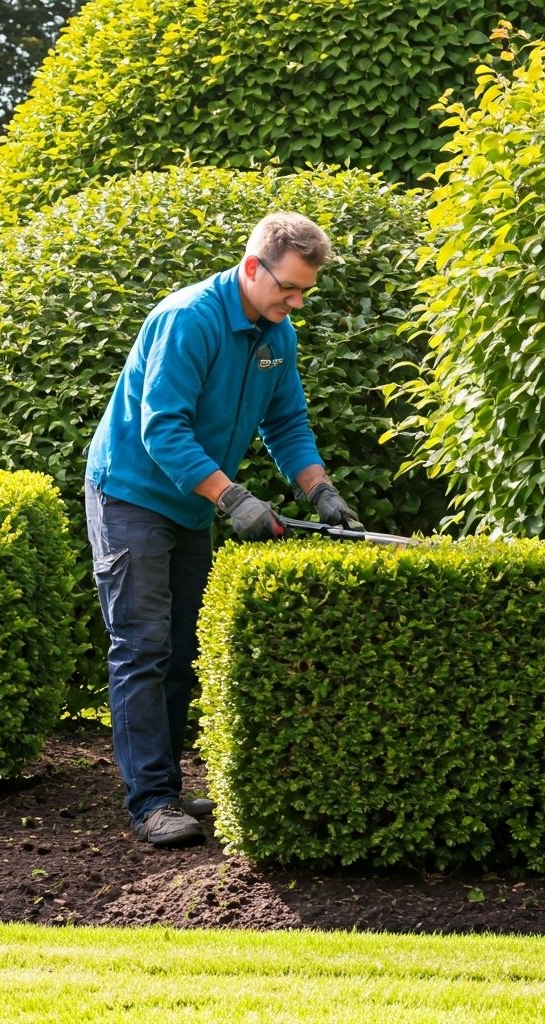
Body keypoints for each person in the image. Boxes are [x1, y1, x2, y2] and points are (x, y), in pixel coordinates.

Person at [84, 212, 362, 848]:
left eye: (303, 293)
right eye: (287, 288)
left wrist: (320, 490)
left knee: (182, 650)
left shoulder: (276, 332)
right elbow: (163, 429)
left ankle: (169, 789)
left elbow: (286, 423)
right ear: (250, 268)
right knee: (142, 647)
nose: (294, 303)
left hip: (186, 506)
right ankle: (151, 802)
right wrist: (232, 497)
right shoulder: (189, 319)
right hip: (130, 494)